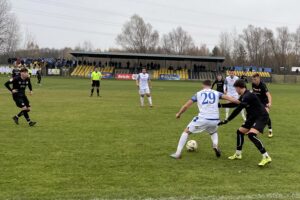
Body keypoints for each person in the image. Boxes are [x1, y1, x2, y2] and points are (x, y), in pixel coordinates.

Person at [170, 80, 240, 159]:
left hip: (203, 118)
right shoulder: (217, 93)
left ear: (202, 85)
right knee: (213, 132)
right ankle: (215, 145)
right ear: (211, 85)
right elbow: (231, 99)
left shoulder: (198, 94)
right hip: (215, 119)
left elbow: (186, 106)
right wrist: (242, 102)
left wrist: (179, 114)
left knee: (186, 132)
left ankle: (177, 153)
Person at [218, 79, 272, 167]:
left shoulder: (248, 96)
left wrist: (227, 120)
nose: (235, 90)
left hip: (261, 117)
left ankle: (266, 156)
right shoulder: (244, 95)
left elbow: (238, 109)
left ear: (239, 88)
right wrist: (221, 105)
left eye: (235, 88)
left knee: (251, 135)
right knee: (240, 132)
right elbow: (236, 104)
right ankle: (238, 154)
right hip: (252, 117)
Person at [251, 73, 273, 138]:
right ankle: (254, 131)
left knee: (266, 117)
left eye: (255, 79)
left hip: (265, 103)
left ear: (258, 78)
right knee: (255, 116)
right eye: (253, 79)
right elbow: (254, 93)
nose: (253, 81)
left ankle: (270, 130)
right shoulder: (253, 84)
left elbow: (268, 95)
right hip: (258, 103)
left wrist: (270, 103)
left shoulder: (263, 85)